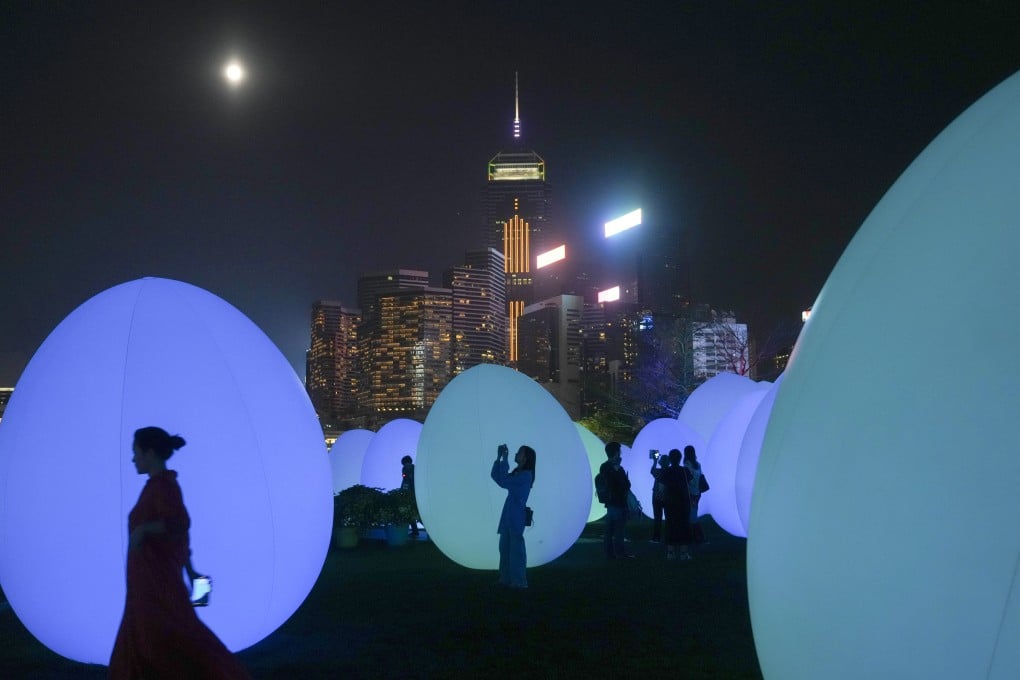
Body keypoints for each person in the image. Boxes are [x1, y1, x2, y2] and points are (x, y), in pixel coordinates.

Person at [109, 427, 251, 679]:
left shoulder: (164, 486)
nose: (133, 459)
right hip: (147, 580)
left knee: (163, 636)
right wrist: (190, 570)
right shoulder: (157, 486)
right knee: (158, 634)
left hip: (156, 582)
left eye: (136, 453)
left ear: (149, 452)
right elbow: (179, 536)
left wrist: (144, 529)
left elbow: (177, 524)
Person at [490, 443, 536, 588]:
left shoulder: (526, 475)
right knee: (504, 547)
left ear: (525, 458)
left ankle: (519, 580)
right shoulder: (519, 474)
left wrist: (504, 459)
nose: (516, 454)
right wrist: (499, 458)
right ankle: (506, 578)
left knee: (516, 548)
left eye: (519, 453)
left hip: (516, 514)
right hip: (510, 512)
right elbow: (497, 477)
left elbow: (503, 480)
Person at [599, 442, 634, 559]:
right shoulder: (616, 468)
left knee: (609, 530)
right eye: (619, 451)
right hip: (618, 502)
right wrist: (618, 469)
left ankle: (609, 553)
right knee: (619, 530)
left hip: (610, 503)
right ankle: (620, 552)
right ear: (616, 453)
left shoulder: (603, 467)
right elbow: (625, 484)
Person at [660, 448, 693, 561]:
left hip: (669, 503)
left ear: (670, 459)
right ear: (680, 458)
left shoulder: (666, 471)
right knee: (684, 526)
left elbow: (661, 487)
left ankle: (671, 552)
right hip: (683, 502)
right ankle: (684, 553)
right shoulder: (684, 471)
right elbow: (690, 483)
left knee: (670, 526)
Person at [683, 445, 708, 545]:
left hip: (690, 493)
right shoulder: (698, 464)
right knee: (692, 515)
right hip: (697, 493)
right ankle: (696, 537)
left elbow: (688, 479)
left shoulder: (687, 464)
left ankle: (699, 537)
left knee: (692, 517)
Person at [649, 453, 670, 543]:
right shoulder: (670, 472)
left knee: (657, 518)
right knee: (669, 517)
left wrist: (655, 461)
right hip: (667, 497)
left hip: (657, 497)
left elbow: (652, 470)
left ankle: (656, 537)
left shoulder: (658, 472)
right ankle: (669, 537)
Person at [400, 454, 419, 537]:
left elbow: (406, 481)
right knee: (416, 513)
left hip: (409, 495)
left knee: (409, 512)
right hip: (416, 493)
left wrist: (402, 492)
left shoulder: (406, 468)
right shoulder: (415, 468)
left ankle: (415, 531)